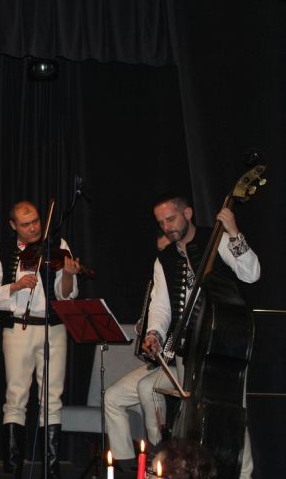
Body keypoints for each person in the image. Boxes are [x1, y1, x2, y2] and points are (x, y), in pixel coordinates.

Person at [136, 194, 259, 478]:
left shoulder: (215, 239)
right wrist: (154, 333)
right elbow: (161, 306)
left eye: (171, 218)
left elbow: (251, 273)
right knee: (191, 415)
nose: (167, 226)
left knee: (231, 414)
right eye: (161, 222)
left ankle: (244, 474)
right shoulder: (165, 258)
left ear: (188, 213)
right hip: (187, 348)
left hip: (223, 343)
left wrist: (234, 232)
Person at [0, 201, 81, 479]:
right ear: (13, 226)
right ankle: (13, 470)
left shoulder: (58, 244)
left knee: (52, 397)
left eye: (36, 221)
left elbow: (67, 295)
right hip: (18, 328)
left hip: (52, 327)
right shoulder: (3, 250)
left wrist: (68, 276)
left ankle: (51, 470)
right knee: (15, 397)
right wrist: (15, 286)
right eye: (26, 224)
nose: (34, 227)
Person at [104, 233, 171, 467]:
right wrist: (143, 328)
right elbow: (154, 318)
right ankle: (126, 462)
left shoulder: (184, 288)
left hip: (178, 365)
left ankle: (158, 455)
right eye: (161, 252)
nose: (163, 258)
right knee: (112, 397)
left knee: (146, 387)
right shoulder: (158, 283)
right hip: (157, 364)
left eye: (168, 251)